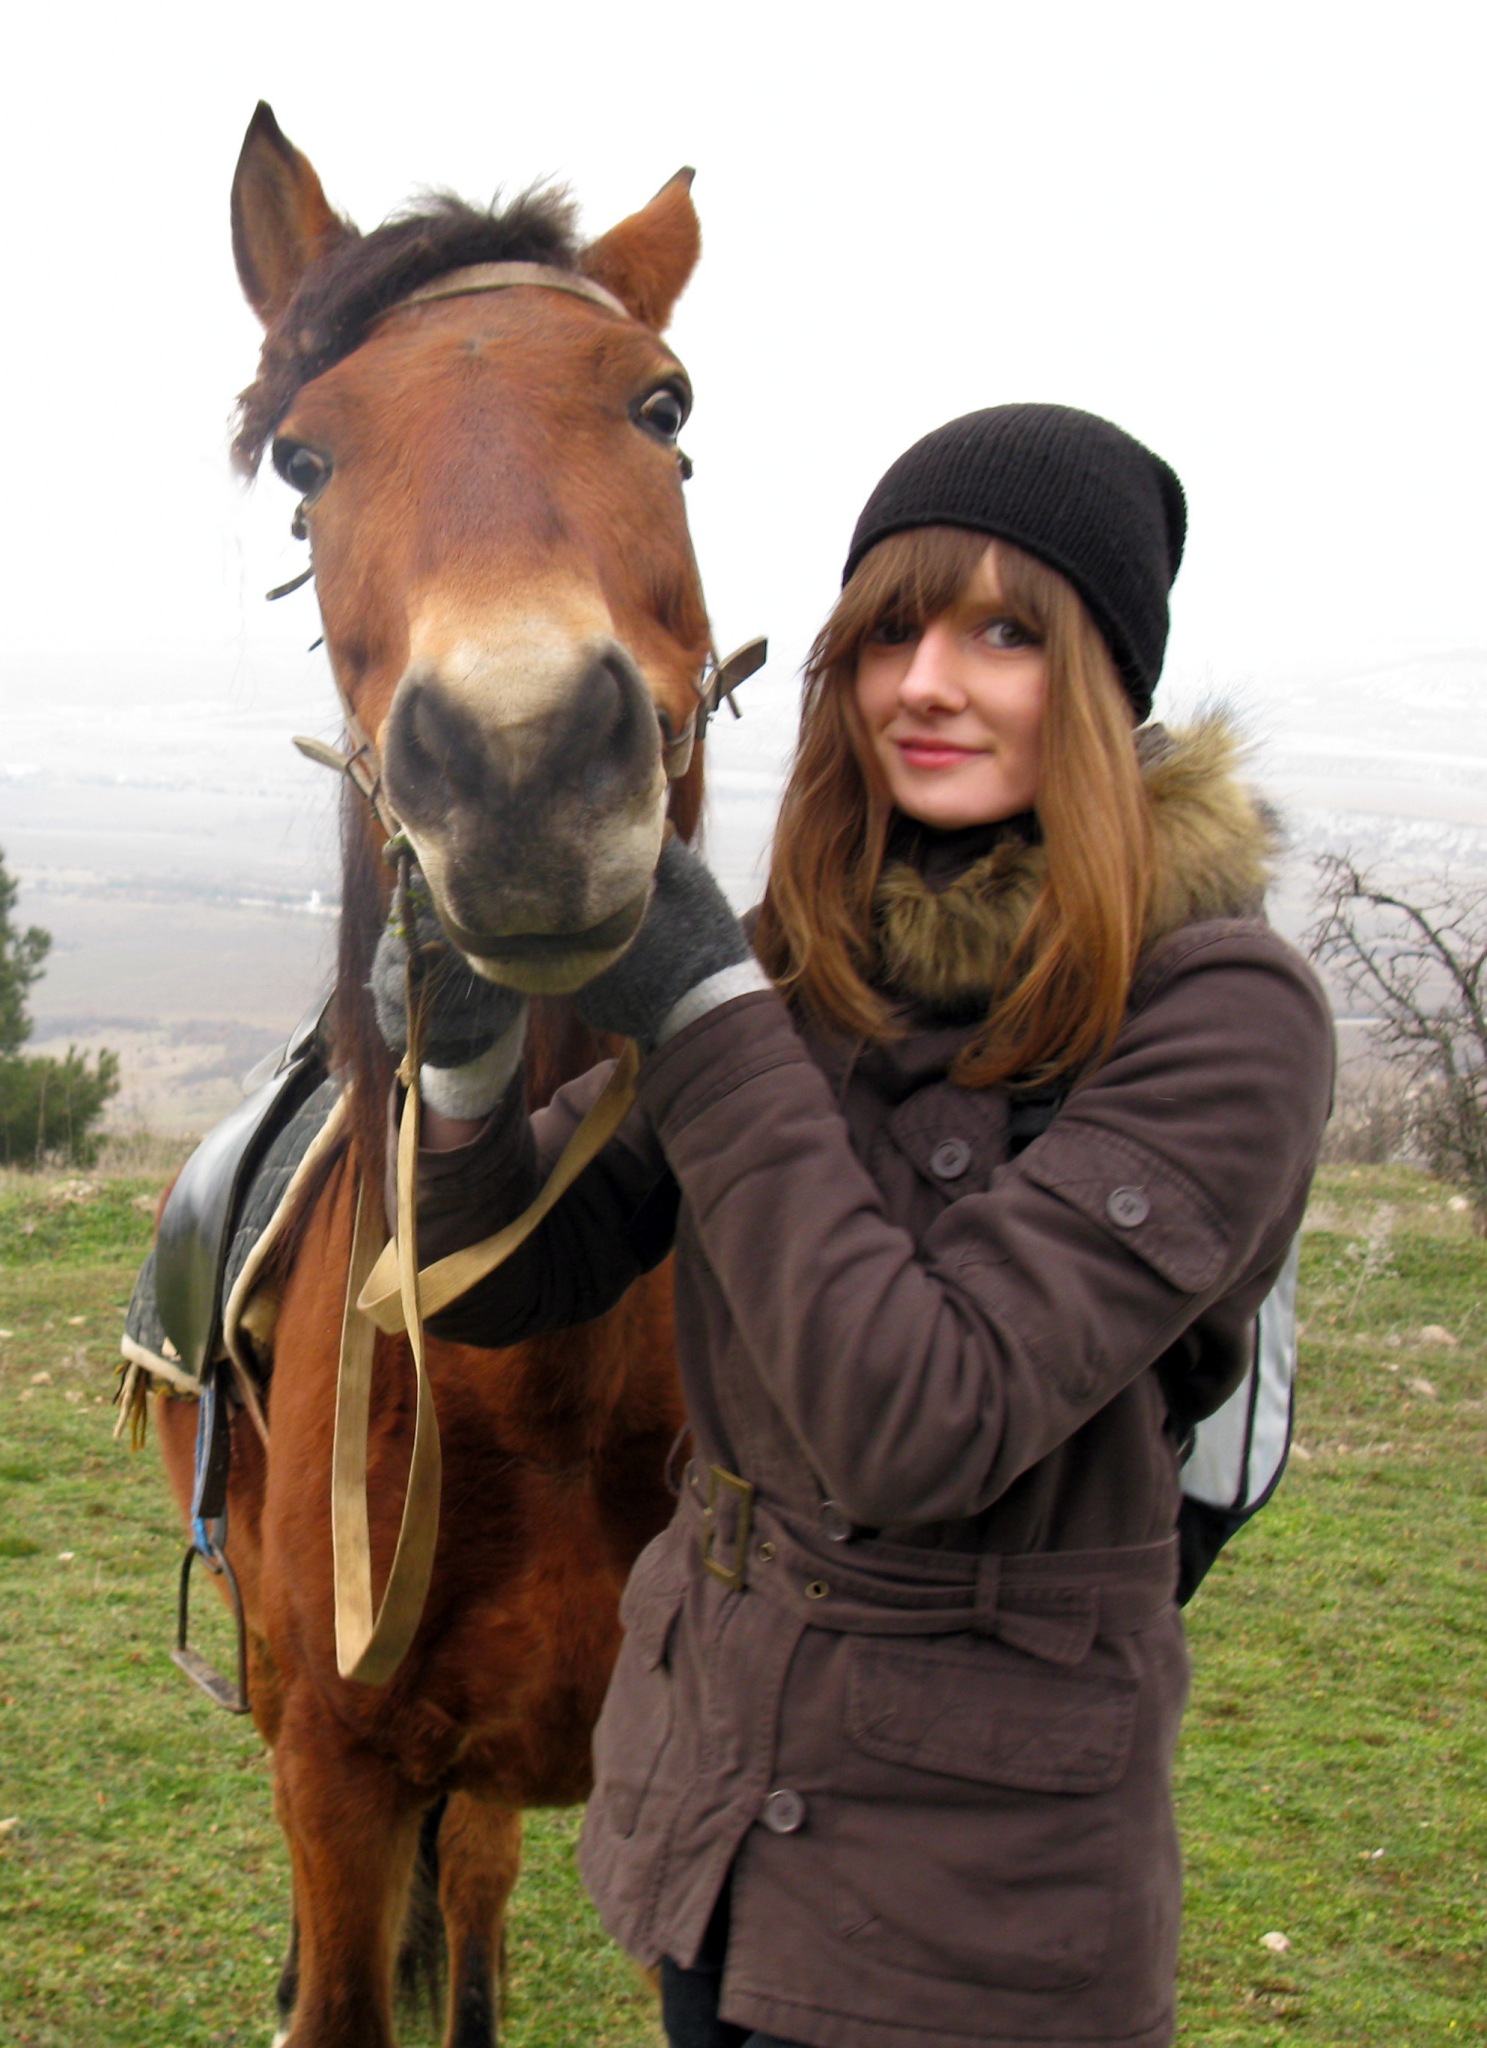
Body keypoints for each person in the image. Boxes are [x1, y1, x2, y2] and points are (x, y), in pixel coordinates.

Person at [373, 404, 1335, 2048]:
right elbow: (501, 1277)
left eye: (1006, 635)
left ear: (1109, 681)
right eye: (888, 633)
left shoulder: (1225, 1014)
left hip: (967, 1924)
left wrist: (703, 1009)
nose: (925, 684)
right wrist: (461, 1065)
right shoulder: (810, 958)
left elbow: (921, 1420)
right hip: (714, 1834)